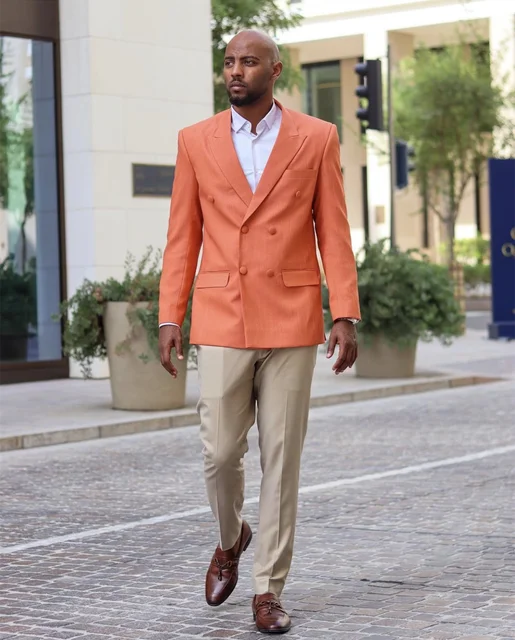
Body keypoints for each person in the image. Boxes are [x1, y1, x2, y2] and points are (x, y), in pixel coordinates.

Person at [158, 29, 360, 635]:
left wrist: (344, 311)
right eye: (229, 62)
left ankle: (268, 589)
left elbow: (335, 230)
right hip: (221, 316)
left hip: (292, 317)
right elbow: (181, 236)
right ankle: (231, 537)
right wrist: (171, 316)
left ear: (275, 71)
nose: (236, 71)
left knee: (282, 457)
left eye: (248, 62)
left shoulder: (318, 138)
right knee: (219, 452)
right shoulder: (195, 141)